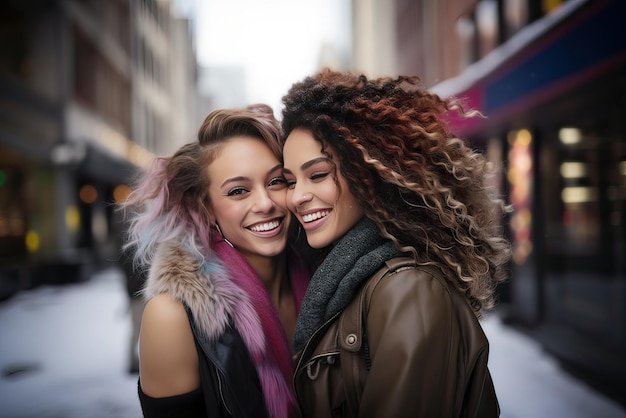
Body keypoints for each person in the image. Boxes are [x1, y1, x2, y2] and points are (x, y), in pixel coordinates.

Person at [280, 69, 511, 417]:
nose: (297, 196)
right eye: (288, 180)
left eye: (318, 175)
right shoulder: (351, 278)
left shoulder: (408, 289)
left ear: (367, 172)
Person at [123, 104, 310, 418]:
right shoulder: (171, 318)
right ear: (206, 209)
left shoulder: (329, 279)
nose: (265, 203)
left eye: (276, 181)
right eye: (238, 191)